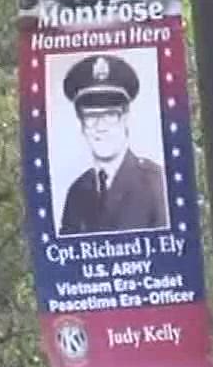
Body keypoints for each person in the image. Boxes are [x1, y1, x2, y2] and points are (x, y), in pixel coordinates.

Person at [57, 53, 169, 235]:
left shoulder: (155, 182)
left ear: (125, 118)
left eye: (110, 115)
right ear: (82, 124)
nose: (100, 126)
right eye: (91, 116)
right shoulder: (77, 191)